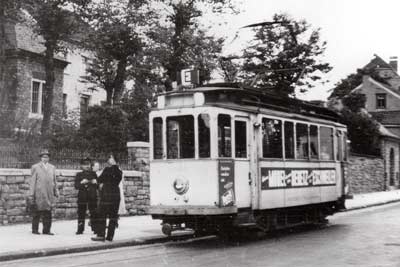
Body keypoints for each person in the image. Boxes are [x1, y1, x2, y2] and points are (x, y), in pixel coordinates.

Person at [92, 155, 122, 242]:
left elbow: (99, 179)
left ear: (114, 160)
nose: (109, 159)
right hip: (116, 195)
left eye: (110, 157)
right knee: (113, 217)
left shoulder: (107, 169)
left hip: (106, 195)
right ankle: (110, 236)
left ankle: (101, 235)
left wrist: (95, 180)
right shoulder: (120, 172)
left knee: (102, 214)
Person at [28, 149, 59, 235]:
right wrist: (31, 194)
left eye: (47, 157)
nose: (45, 158)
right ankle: (35, 230)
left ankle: (47, 230)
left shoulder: (52, 167)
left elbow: (54, 180)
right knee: (37, 212)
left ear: (49, 158)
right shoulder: (35, 167)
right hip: (39, 194)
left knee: (48, 213)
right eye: (43, 157)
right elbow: (33, 182)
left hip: (49, 194)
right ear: (41, 158)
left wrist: (56, 190)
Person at [74, 157, 98, 235]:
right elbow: (76, 186)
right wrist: (81, 183)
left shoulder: (93, 174)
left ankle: (95, 229)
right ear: (81, 166)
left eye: (88, 164)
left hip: (92, 196)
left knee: (93, 212)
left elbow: (98, 186)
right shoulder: (79, 175)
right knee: (81, 212)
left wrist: (95, 182)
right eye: (85, 165)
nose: (87, 166)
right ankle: (80, 229)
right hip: (82, 197)